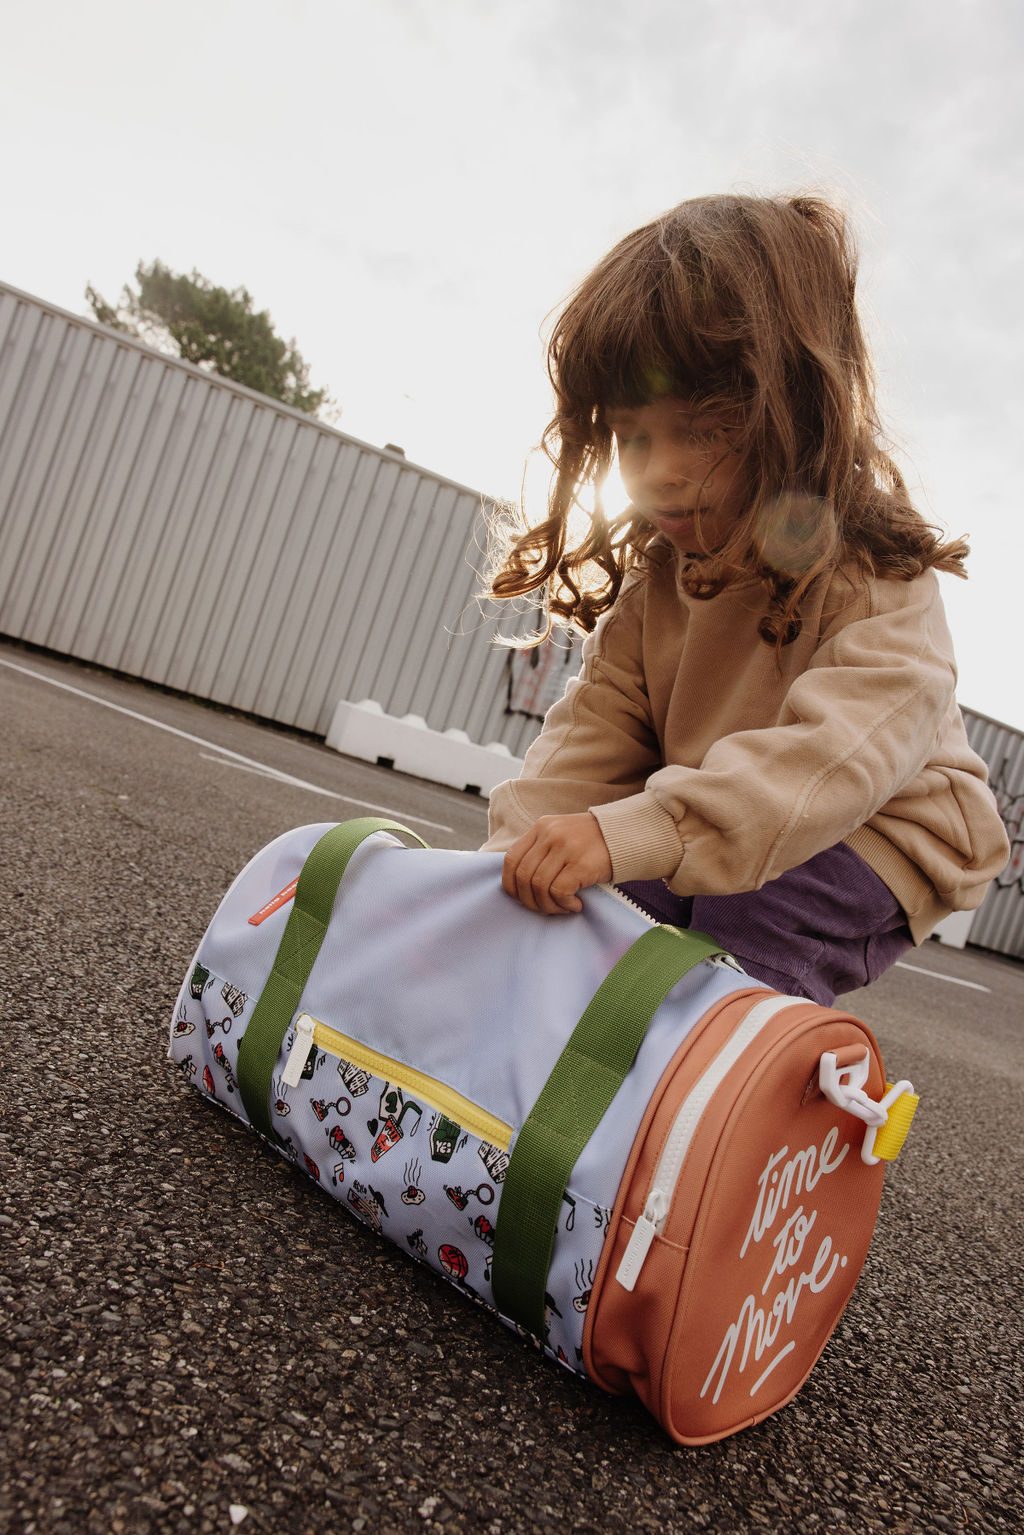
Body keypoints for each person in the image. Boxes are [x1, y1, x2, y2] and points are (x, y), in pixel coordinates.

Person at [479, 193, 1009, 1006]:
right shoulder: (658, 586)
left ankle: (738, 1073)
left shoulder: (876, 575)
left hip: (880, 827)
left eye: (700, 427)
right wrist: (503, 875)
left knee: (736, 925)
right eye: (633, 435)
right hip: (725, 813)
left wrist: (642, 831)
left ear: (795, 411)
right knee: (601, 907)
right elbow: (589, 738)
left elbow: (827, 761)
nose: (657, 470)